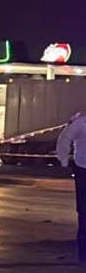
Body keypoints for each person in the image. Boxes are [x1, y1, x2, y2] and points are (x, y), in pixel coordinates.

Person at [55, 111, 86, 262]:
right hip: (84, 170)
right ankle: (83, 252)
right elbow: (64, 139)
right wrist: (64, 161)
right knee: (84, 212)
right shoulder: (80, 123)